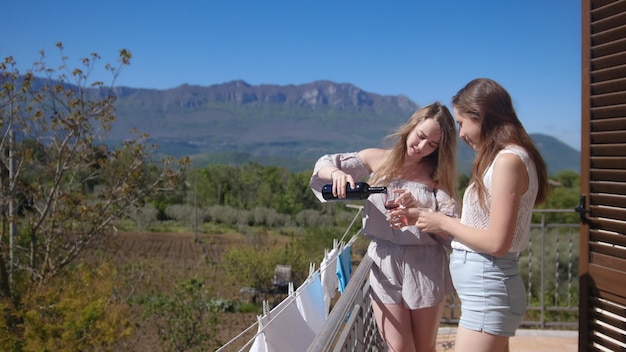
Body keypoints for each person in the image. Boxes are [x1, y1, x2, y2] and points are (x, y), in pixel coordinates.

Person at [309, 102, 459, 352]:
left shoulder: (437, 174)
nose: (422, 147)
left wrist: (419, 211)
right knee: (399, 349)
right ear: (411, 127)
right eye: (421, 136)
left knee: (424, 348)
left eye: (432, 144)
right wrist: (336, 174)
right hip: (383, 264)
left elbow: (450, 228)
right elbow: (323, 164)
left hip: (425, 265)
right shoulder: (376, 158)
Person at [415, 78, 550, 352]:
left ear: (482, 116)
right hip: (486, 294)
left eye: (462, 123)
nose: (461, 133)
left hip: (488, 295)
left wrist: (443, 221)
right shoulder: (505, 158)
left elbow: (496, 242)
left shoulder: (508, 161)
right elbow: (483, 229)